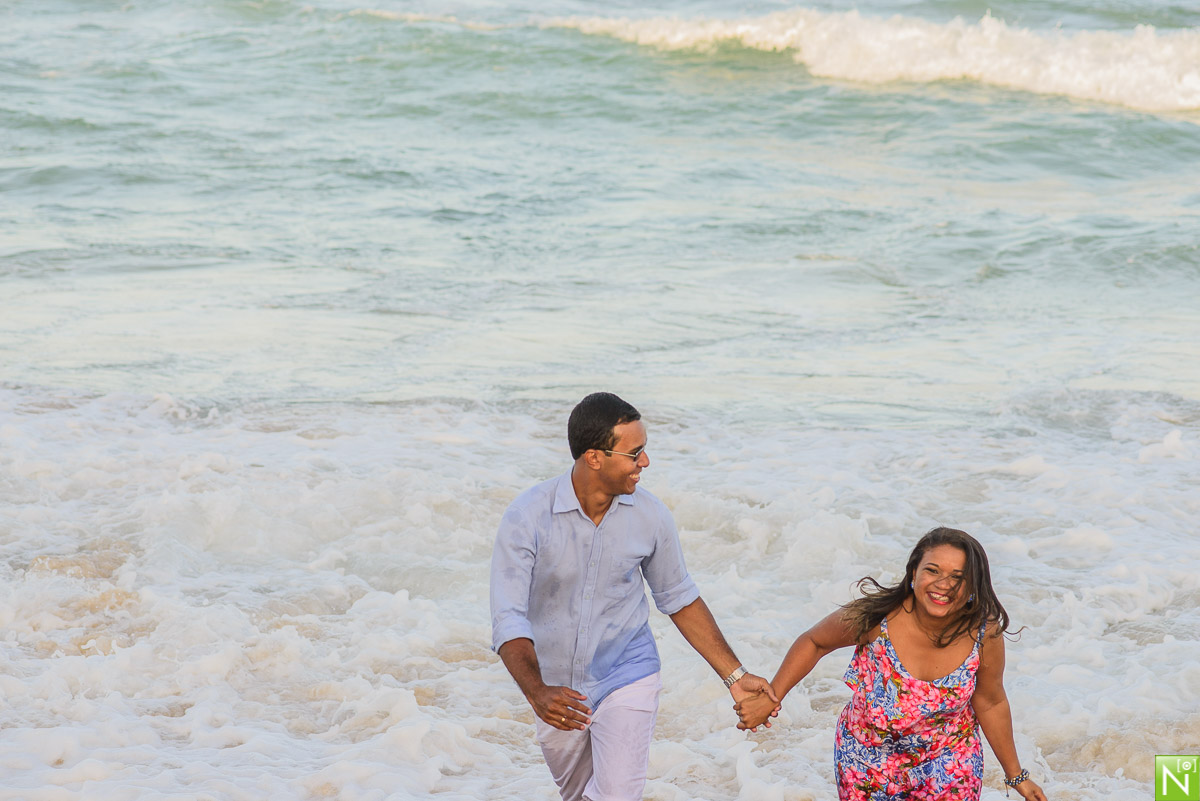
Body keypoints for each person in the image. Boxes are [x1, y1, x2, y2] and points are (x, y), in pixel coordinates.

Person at [490, 392, 779, 801]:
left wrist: (734, 675)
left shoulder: (652, 516)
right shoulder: (526, 518)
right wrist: (537, 691)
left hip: (628, 671)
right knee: (576, 795)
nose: (645, 463)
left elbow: (679, 598)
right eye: (635, 453)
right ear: (594, 457)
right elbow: (509, 618)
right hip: (555, 688)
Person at [735, 527, 1048, 801]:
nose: (944, 585)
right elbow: (815, 642)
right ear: (913, 574)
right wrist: (772, 695)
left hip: (950, 762)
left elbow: (990, 701)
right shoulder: (876, 619)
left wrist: (1016, 776)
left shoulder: (984, 632)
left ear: (972, 587)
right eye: (933, 571)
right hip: (867, 760)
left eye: (958, 577)